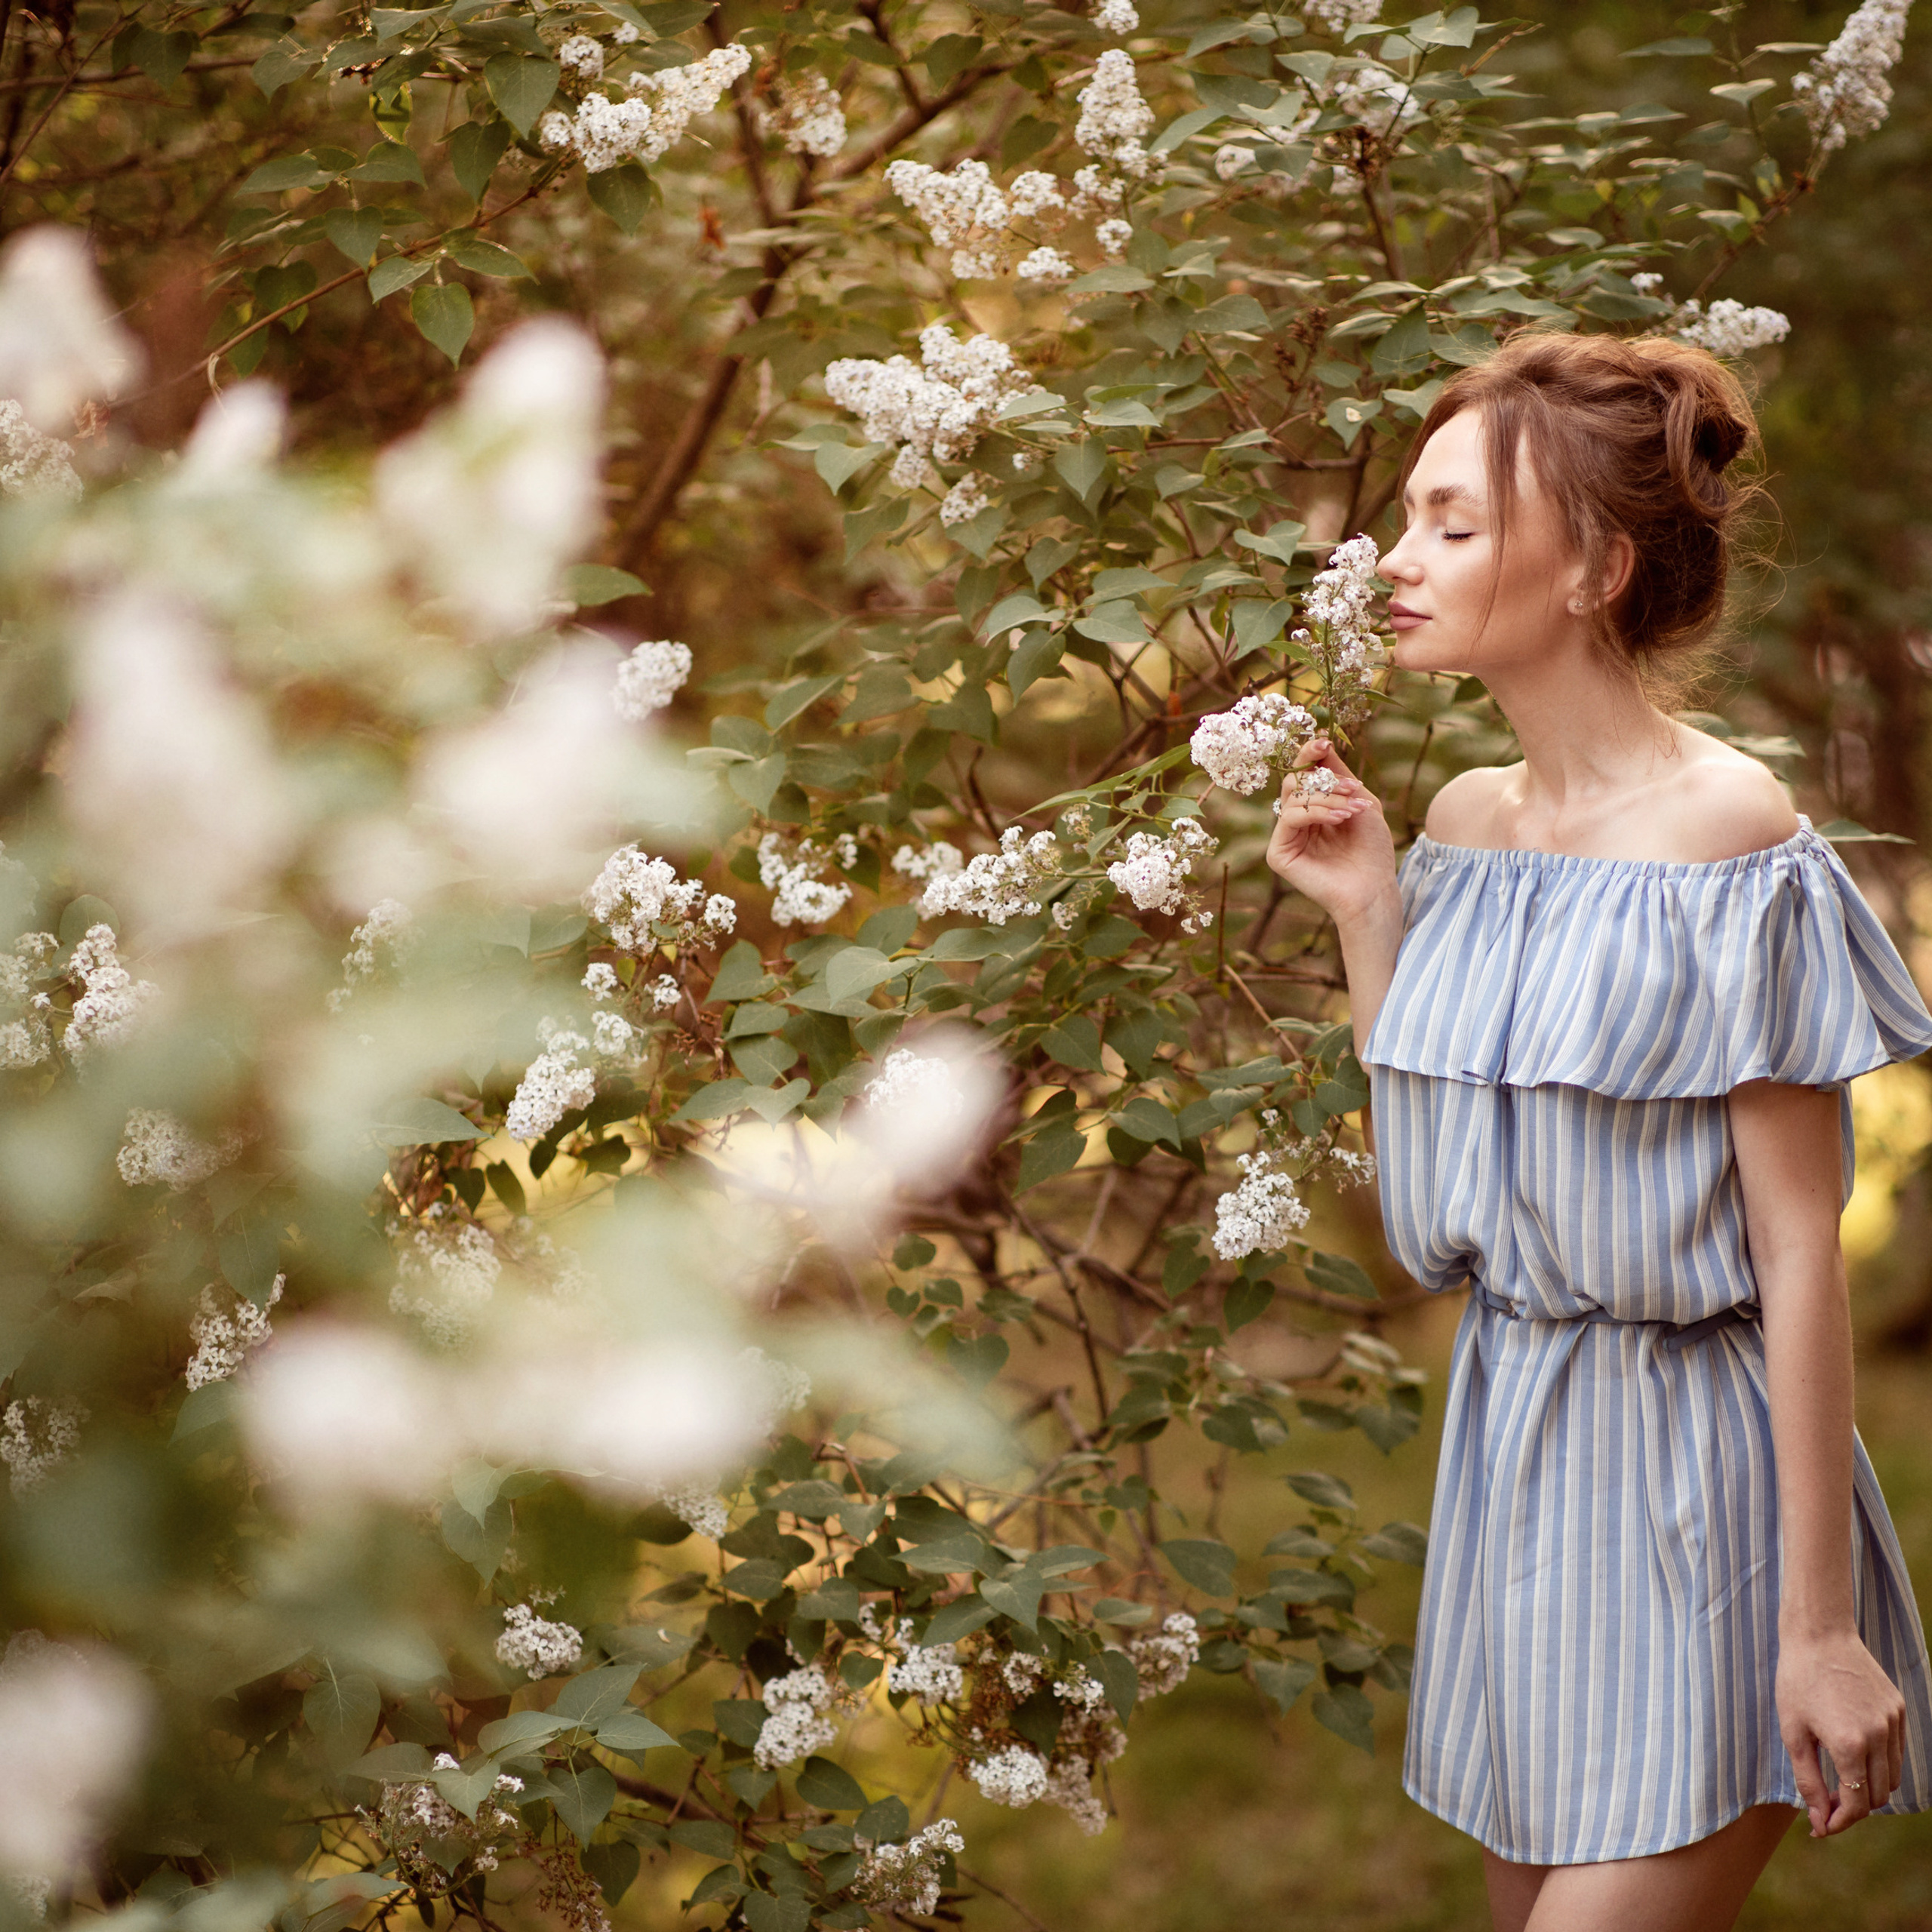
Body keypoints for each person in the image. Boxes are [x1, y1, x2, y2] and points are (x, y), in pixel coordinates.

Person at [1265, 329, 1932, 1932]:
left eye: (1452, 523)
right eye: (1406, 519)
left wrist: (1817, 1628)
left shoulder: (1727, 831)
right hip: (1516, 1463)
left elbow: (1794, 1246)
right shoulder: (1459, 828)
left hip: (1698, 1483)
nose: (1396, 562)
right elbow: (1442, 1212)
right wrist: (1370, 916)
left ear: (1594, 565)